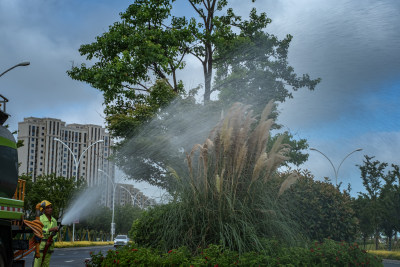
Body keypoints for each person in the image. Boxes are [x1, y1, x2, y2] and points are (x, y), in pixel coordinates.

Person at [34, 200, 58, 267]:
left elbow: (55, 234)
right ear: (43, 210)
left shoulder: (54, 220)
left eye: (51, 207)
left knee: (46, 265)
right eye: (47, 208)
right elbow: (39, 230)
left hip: (49, 247)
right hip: (40, 247)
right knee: (37, 265)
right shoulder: (40, 219)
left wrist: (51, 240)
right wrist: (50, 230)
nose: (50, 209)